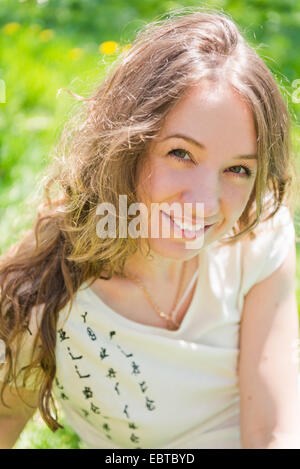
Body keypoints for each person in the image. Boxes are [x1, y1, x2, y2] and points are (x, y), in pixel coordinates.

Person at [0, 8, 300, 450]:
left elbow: (273, 432)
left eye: (238, 169)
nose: (204, 203)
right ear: (125, 145)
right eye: (181, 154)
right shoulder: (48, 285)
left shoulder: (256, 239)